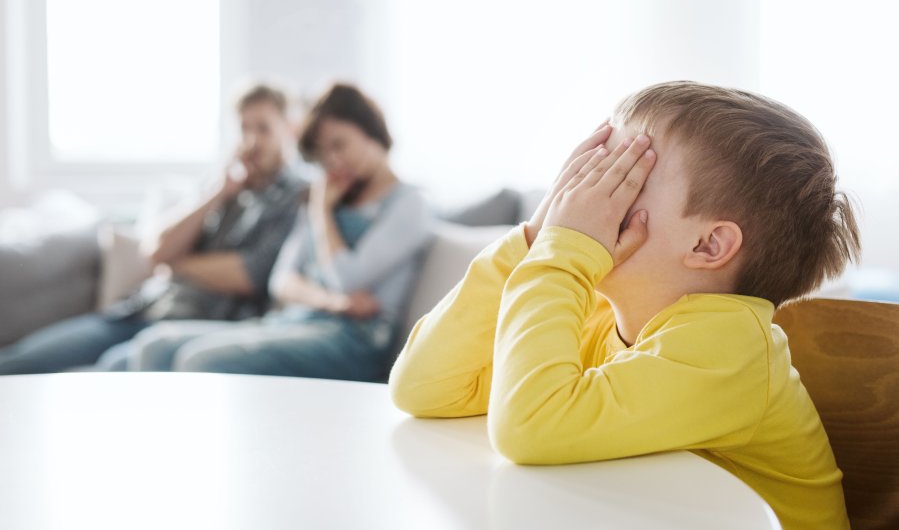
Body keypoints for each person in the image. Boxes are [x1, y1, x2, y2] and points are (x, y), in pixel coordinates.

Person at [388, 81, 857, 530]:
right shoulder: (593, 308)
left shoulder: (731, 350)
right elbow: (425, 388)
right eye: (597, 166)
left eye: (626, 176)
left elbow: (529, 427)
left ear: (709, 245)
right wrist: (532, 240)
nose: (584, 192)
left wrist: (563, 252)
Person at [97, 83, 433, 382]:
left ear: (370, 131)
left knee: (199, 360)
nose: (332, 161)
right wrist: (333, 301)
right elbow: (281, 281)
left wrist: (321, 213)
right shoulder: (333, 198)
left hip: (356, 341)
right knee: (156, 346)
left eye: (339, 145)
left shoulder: (408, 203)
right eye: (324, 152)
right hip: (297, 322)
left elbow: (348, 276)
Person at [0, 83, 305, 374]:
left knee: (113, 368)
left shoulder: (295, 197)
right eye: (243, 128)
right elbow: (155, 249)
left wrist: (174, 261)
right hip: (139, 310)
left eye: (263, 128)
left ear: (287, 129)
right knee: (18, 361)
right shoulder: (223, 188)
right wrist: (217, 193)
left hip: (194, 322)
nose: (251, 140)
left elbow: (248, 275)